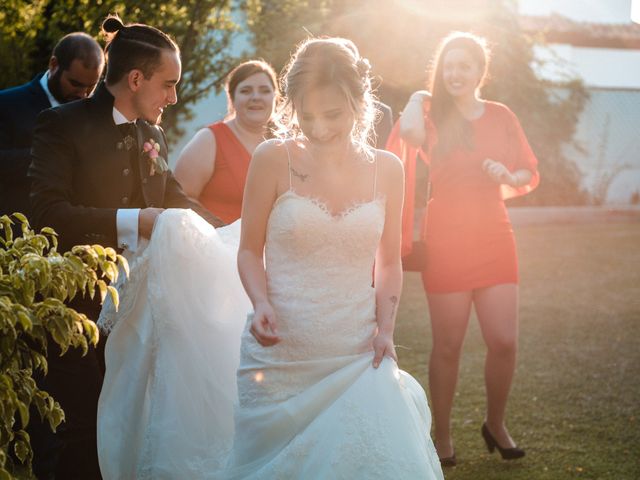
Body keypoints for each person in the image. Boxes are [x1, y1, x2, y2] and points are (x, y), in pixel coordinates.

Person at [228, 37, 443, 478]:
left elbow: (389, 262)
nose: (320, 128)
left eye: (333, 115)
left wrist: (386, 329)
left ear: (360, 103)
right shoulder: (273, 158)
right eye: (306, 116)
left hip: (358, 351)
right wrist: (261, 302)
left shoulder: (388, 169)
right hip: (282, 353)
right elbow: (249, 249)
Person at [28, 15, 222, 479]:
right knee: (80, 430)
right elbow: (48, 215)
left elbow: (176, 197)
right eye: (168, 84)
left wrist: (238, 233)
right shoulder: (60, 125)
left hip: (137, 311)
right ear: (135, 79)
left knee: (130, 422)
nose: (173, 97)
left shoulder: (151, 134)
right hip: (72, 310)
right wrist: (139, 220)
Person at [387, 31, 539, 466]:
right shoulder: (432, 114)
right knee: (448, 344)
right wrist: (418, 96)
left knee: (504, 341)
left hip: (494, 233)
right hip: (448, 236)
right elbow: (409, 137)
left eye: (464, 66)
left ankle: (496, 422)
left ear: (480, 71)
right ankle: (443, 434)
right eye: (447, 66)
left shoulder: (502, 115)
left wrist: (508, 175)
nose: (454, 74)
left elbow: (528, 170)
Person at [0, 32, 103, 229]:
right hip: (14, 240)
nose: (83, 94)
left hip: (74, 244)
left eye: (91, 87)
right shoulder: (6, 104)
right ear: (54, 65)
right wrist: (50, 157)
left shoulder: (94, 116)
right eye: (75, 83)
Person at [174, 60, 278, 223]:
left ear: (275, 97)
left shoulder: (285, 144)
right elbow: (178, 198)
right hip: (216, 244)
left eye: (264, 91)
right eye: (246, 90)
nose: (256, 97)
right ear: (232, 98)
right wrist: (222, 233)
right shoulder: (209, 140)